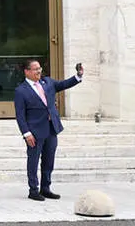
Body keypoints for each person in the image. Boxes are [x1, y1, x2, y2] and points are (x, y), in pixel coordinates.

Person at [15, 60, 84, 201]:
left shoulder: (48, 82)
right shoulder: (21, 91)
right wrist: (26, 133)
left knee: (49, 160)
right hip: (34, 132)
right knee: (33, 161)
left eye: (39, 68)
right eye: (35, 69)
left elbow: (64, 84)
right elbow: (20, 115)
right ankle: (33, 190)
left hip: (51, 129)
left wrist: (78, 75)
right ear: (27, 71)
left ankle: (45, 188)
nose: (39, 71)